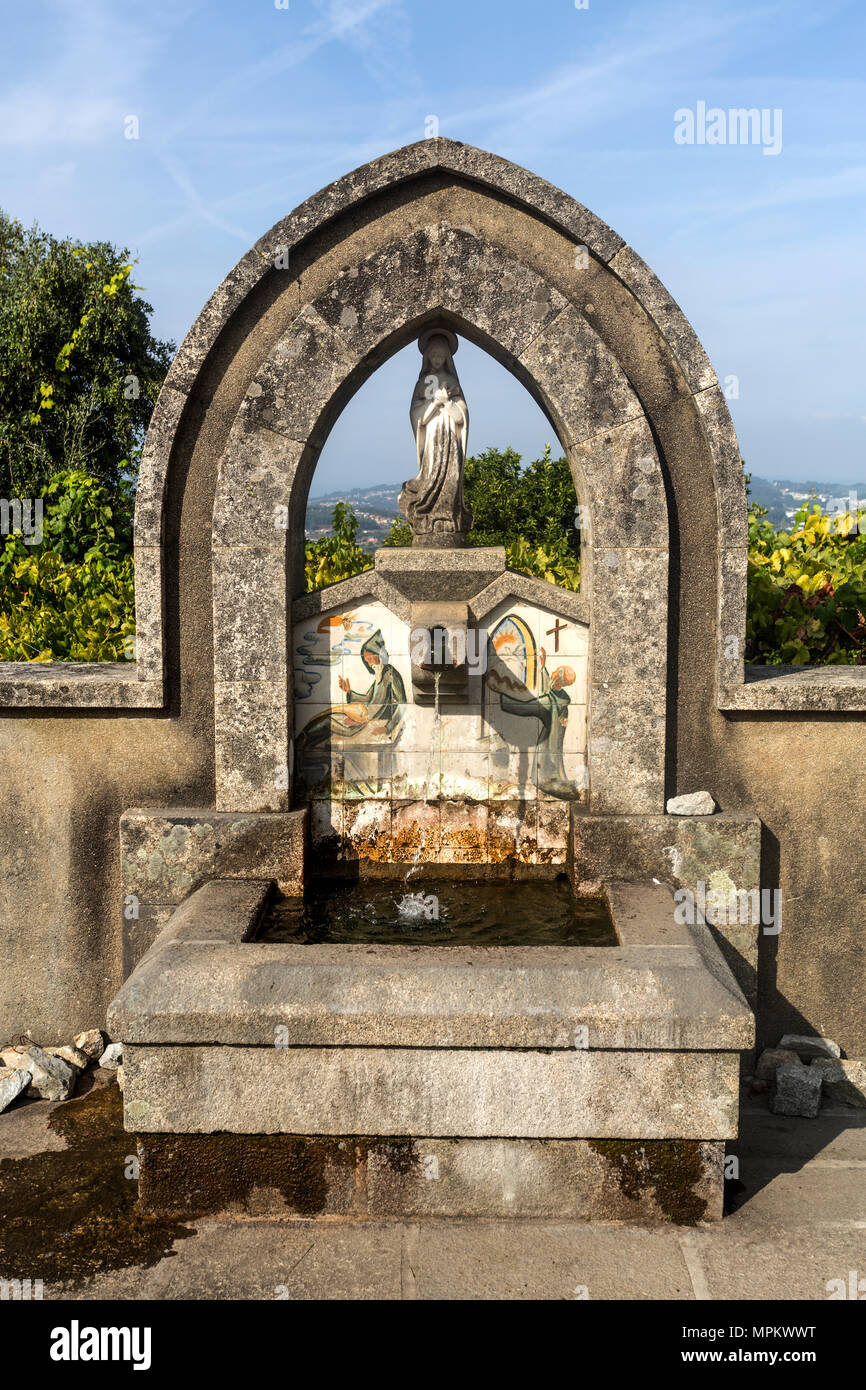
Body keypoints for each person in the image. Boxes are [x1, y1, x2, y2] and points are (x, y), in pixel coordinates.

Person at [399, 329, 472, 542]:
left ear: (447, 358)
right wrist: (434, 405)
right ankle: (429, 515)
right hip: (432, 436)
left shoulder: (452, 382)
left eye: (442, 356)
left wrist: (448, 403)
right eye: (434, 356)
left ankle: (449, 515)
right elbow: (416, 416)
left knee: (452, 476)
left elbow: (462, 419)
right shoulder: (423, 383)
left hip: (450, 437)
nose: (438, 360)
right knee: (431, 472)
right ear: (428, 357)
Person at [497, 646, 577, 798]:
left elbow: (524, 707)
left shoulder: (549, 702)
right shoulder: (561, 697)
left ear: (558, 681)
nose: (552, 673)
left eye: (555, 672)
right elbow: (550, 687)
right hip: (553, 738)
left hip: (548, 741)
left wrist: (502, 695)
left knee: (544, 766)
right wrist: (543, 666)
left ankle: (544, 779)